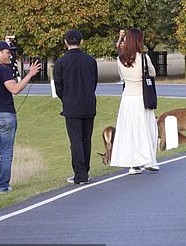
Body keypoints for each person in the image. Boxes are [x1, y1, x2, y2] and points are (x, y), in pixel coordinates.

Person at [0, 41, 41, 197]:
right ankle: (3, 186)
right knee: (6, 152)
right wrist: (30, 75)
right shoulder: (4, 71)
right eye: (8, 52)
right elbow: (15, 89)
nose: (10, 55)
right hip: (6, 115)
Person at [110, 28, 159, 175]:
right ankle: (149, 159)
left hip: (127, 98)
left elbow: (123, 78)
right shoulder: (143, 58)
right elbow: (153, 73)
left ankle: (133, 164)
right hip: (141, 97)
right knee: (146, 128)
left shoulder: (120, 59)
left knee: (130, 130)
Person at [53, 29, 99, 185]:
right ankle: (85, 170)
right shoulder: (90, 60)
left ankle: (80, 174)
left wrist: (66, 98)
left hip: (71, 105)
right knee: (86, 139)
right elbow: (94, 82)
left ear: (66, 42)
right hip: (88, 103)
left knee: (76, 140)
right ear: (81, 41)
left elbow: (58, 87)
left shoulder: (60, 63)